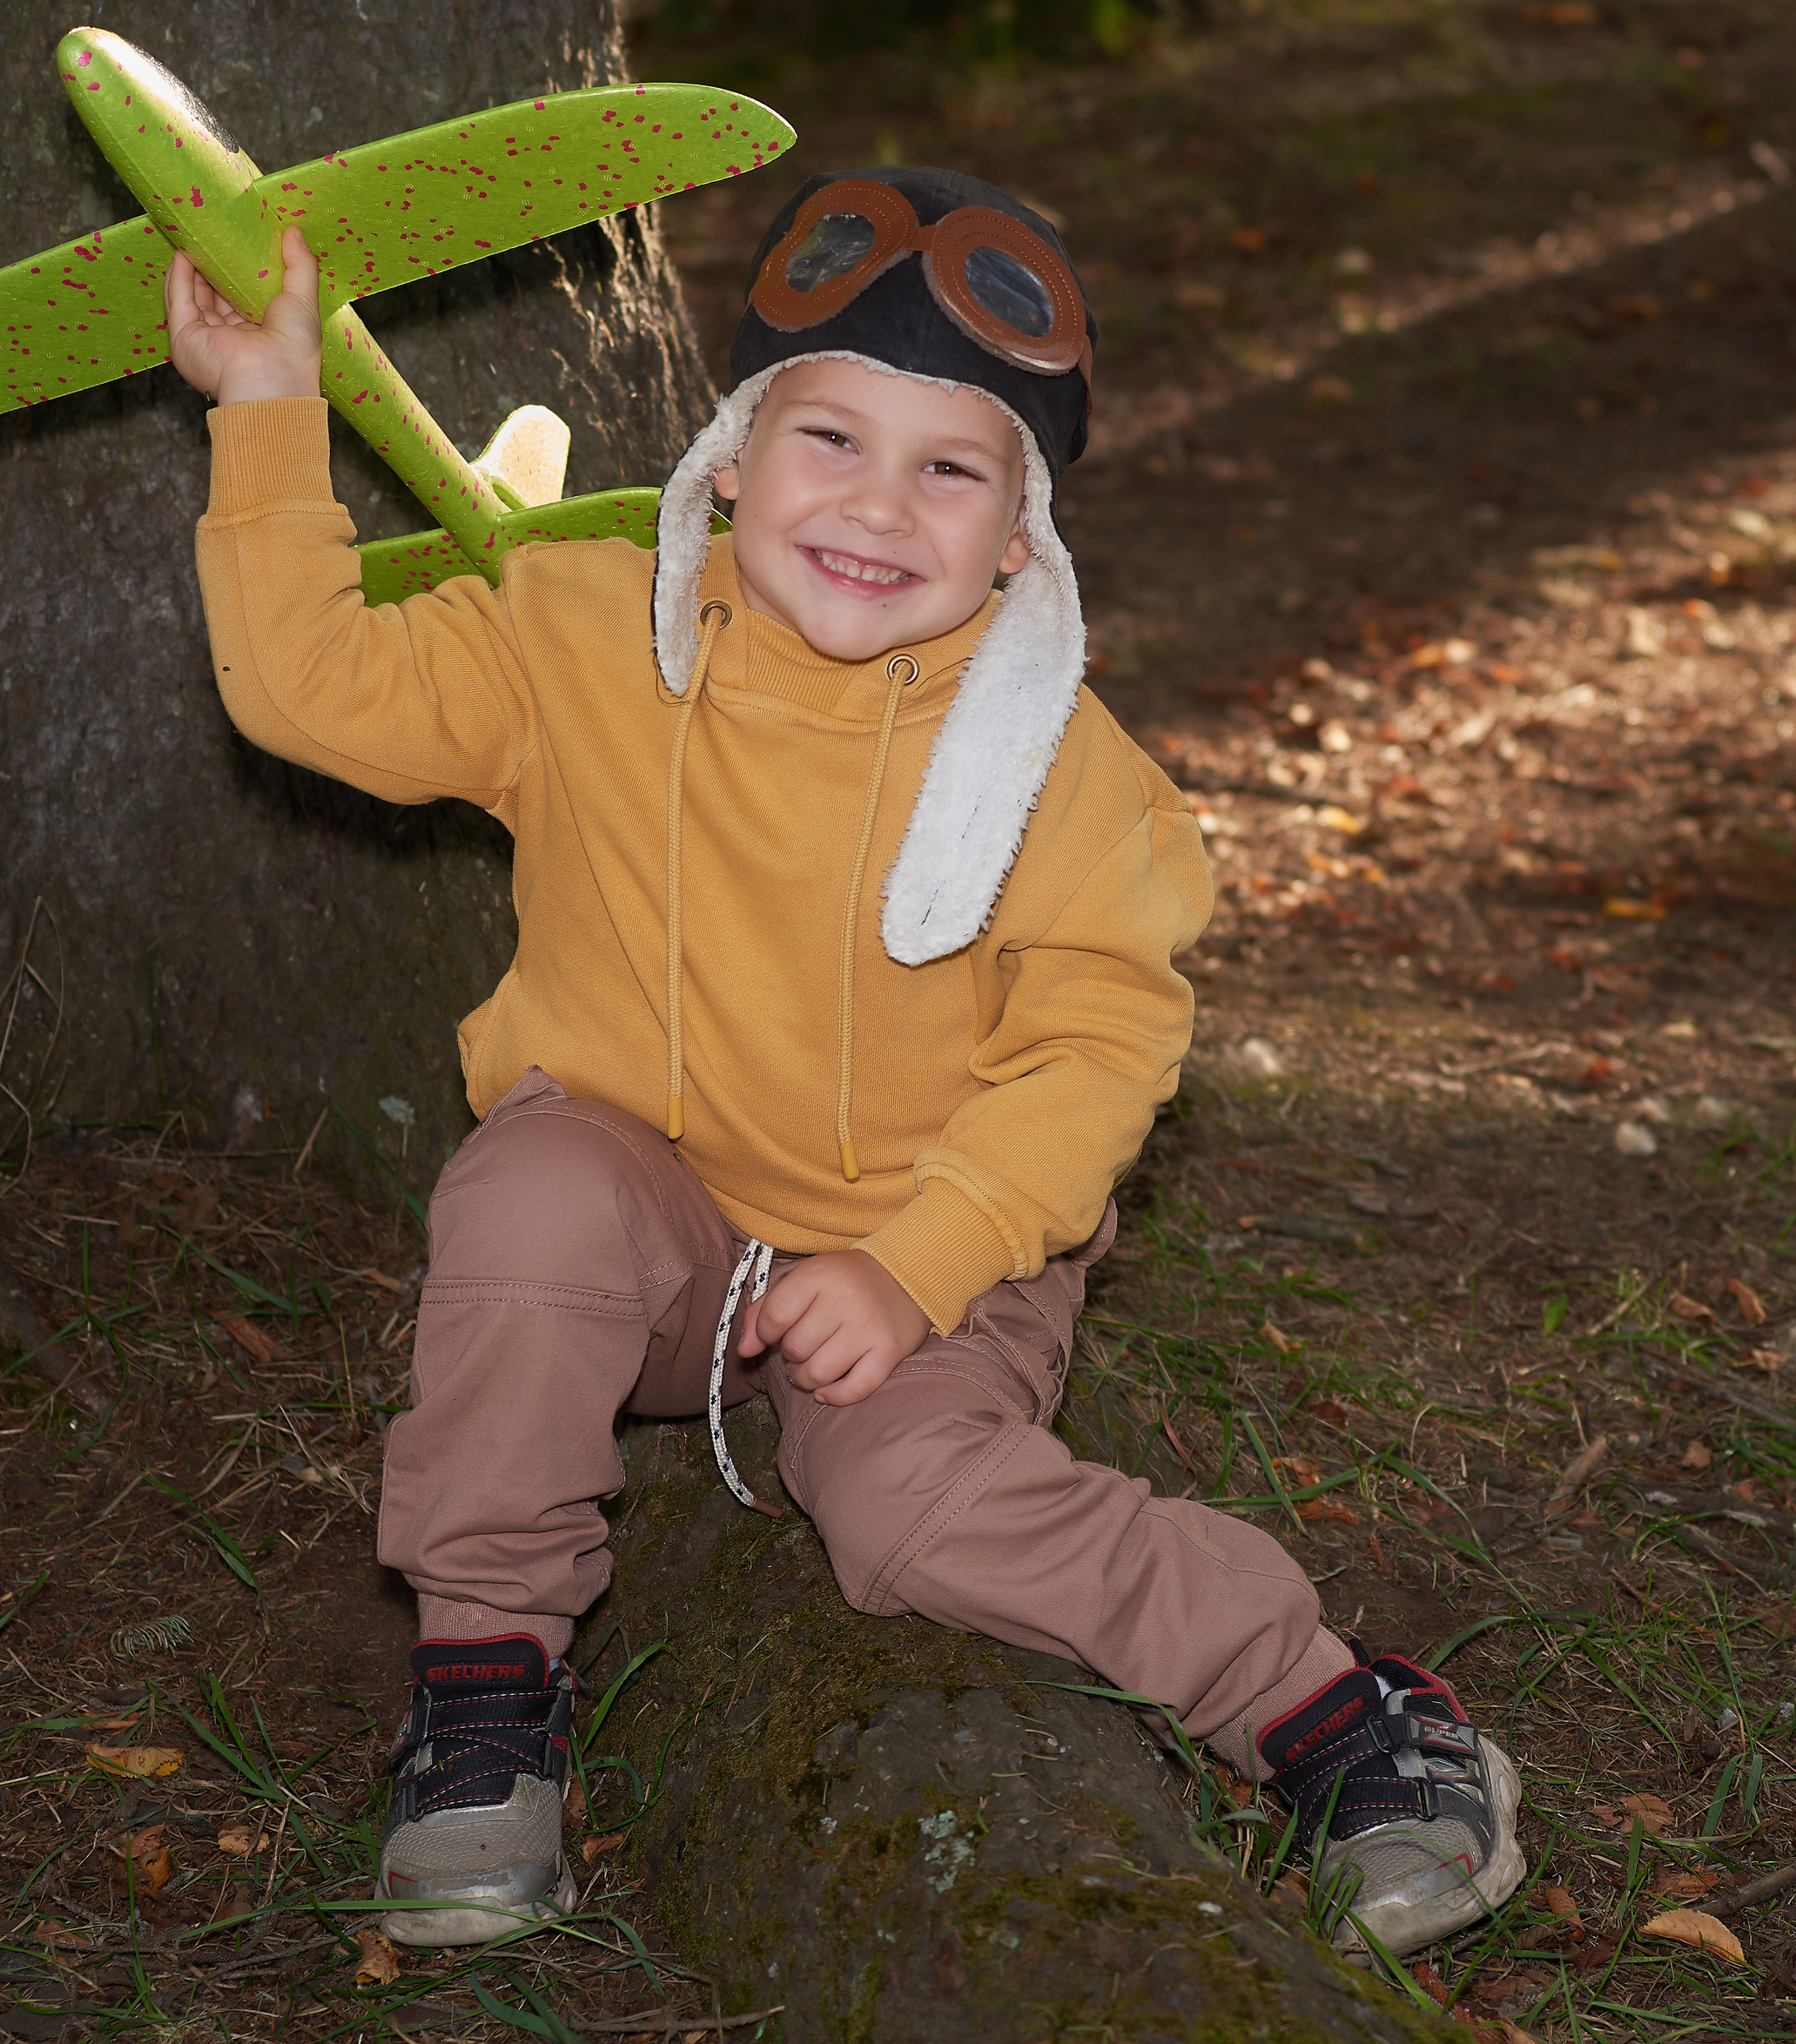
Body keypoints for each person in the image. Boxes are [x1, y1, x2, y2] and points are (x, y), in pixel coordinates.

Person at [163, 169, 1524, 1962]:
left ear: (1017, 537)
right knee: (526, 1187)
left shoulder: (1055, 762)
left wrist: (920, 1258)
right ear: (729, 454)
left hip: (923, 1262)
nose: (875, 506)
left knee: (904, 1508)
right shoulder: (580, 628)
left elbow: (1097, 1042)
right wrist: (265, 410)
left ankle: (1329, 1706)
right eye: (828, 438)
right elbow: (308, 689)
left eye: (950, 470)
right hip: (646, 1237)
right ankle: (486, 1691)